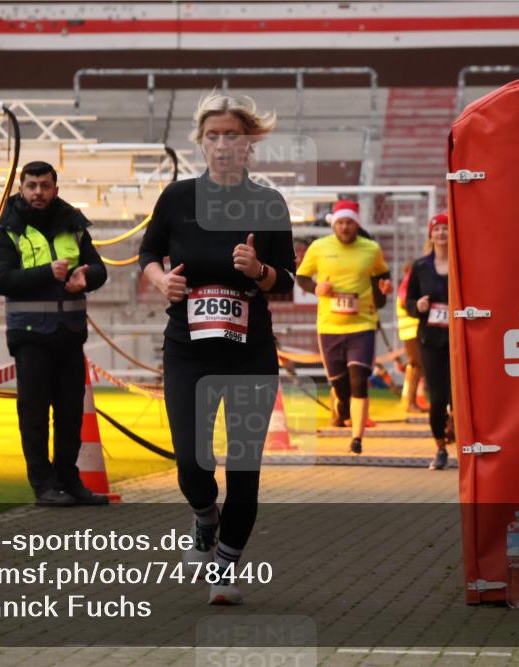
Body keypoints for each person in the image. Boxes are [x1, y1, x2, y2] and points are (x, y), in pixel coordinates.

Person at [138, 92, 296, 606]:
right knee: (191, 462)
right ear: (200, 143)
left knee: (244, 469)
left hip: (249, 352)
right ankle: (204, 516)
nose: (222, 145)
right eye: (213, 136)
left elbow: (287, 283)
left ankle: (225, 566)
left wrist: (259, 271)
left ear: (249, 143)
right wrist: (162, 281)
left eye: (232, 135)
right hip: (188, 349)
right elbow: (146, 253)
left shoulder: (269, 203)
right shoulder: (178, 198)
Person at [0, 161, 109, 506]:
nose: (38, 192)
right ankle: (43, 484)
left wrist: (89, 276)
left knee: (70, 414)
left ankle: (70, 481)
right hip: (30, 337)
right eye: (31, 186)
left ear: (55, 188)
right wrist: (46, 273)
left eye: (44, 185)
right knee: (35, 414)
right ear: (21, 189)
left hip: (69, 334)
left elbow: (98, 268)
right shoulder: (6, 231)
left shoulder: (73, 226)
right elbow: (0, 279)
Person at [295, 199, 391, 454]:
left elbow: (382, 277)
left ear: (356, 223)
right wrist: (317, 288)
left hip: (362, 324)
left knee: (359, 380)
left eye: (349, 222)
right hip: (330, 326)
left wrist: (384, 290)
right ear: (334, 225)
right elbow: (302, 277)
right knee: (340, 386)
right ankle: (343, 408)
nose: (345, 227)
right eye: (340, 223)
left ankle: (357, 439)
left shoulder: (371, 249)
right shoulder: (319, 247)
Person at [405, 212, 452, 470]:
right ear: (431, 234)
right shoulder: (421, 266)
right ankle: (440, 447)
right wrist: (418, 305)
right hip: (431, 340)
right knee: (437, 397)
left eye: (446, 229)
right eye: (437, 229)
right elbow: (408, 302)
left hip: (458, 340)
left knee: (459, 397)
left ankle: (463, 441)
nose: (441, 233)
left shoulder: (461, 262)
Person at [395, 262, 428, 413]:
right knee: (416, 365)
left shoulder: (406, 285)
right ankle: (411, 403)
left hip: (410, 330)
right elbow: (405, 302)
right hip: (412, 330)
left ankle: (411, 401)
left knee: (416, 366)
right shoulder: (408, 284)